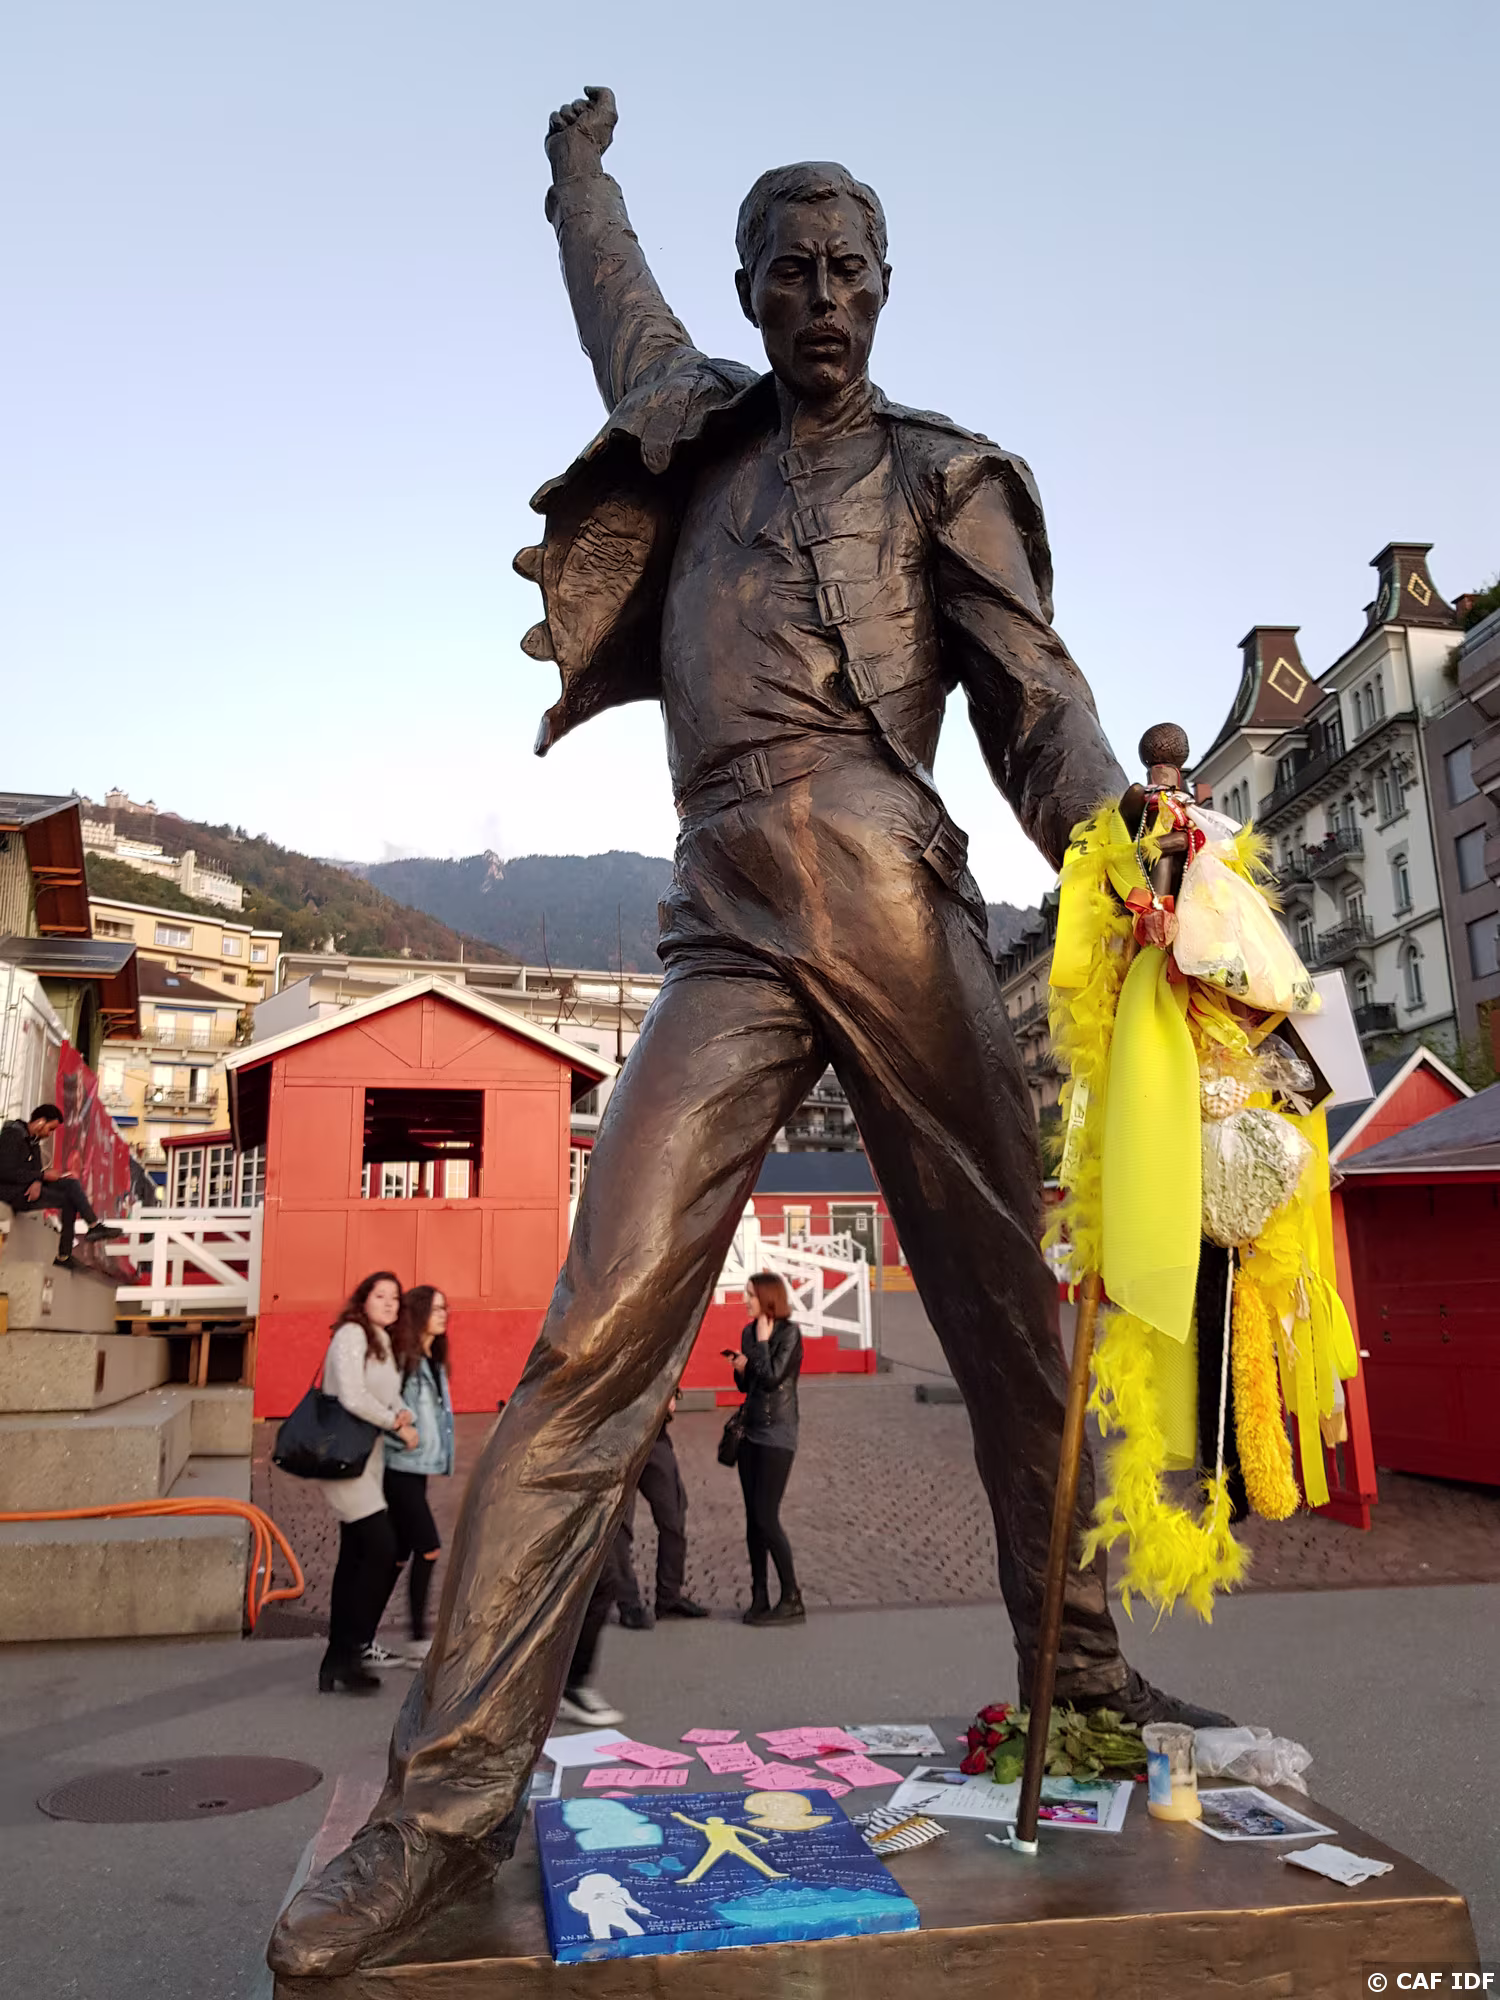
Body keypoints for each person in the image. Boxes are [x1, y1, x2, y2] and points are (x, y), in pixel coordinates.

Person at [269, 85, 1229, 1976]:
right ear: (749, 291)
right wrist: (577, 179)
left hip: (899, 902)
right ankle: (442, 1812)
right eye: (788, 272)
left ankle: (1086, 1687)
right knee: (590, 1342)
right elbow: (612, 299)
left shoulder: (948, 475)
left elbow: (1040, 710)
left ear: (887, 286)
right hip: (722, 923)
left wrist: (1133, 865)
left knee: (1008, 1325)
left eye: (849, 271)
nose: (820, 298)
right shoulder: (693, 429)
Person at [317, 1272, 418, 1694]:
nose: (390, 1303)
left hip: (367, 1462)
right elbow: (352, 1396)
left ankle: (337, 1661)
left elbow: (386, 1394)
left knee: (355, 1556)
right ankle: (352, 1649)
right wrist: (394, 1422)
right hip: (343, 1459)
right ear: (363, 1300)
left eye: (395, 1297)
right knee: (381, 1547)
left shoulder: (381, 1341)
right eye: (380, 1296)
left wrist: (404, 1412)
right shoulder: (351, 1335)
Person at [378, 1284, 456, 1668]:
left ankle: (362, 1635)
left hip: (418, 1468)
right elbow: (385, 1408)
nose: (443, 1315)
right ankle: (417, 1639)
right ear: (420, 1312)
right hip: (399, 1467)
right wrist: (401, 1434)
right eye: (436, 1309)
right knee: (428, 1547)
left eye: (445, 1308)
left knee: (398, 1554)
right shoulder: (403, 1361)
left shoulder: (432, 1359)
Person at [733, 1274, 804, 1626]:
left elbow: (774, 1376)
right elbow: (750, 1384)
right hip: (751, 1433)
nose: (745, 1299)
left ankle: (791, 1597)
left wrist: (761, 1345)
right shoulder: (748, 1332)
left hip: (778, 1433)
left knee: (766, 1515)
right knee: (753, 1519)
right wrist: (740, 1369)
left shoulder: (789, 1333)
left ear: (767, 1297)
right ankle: (759, 1595)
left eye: (750, 1294)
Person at [615, 1395, 709, 1629]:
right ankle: (628, 1603)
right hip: (618, 1442)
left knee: (673, 1515)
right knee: (619, 1529)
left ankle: (669, 1596)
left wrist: (672, 1393)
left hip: (654, 1437)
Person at [0, 1103, 111, 1267]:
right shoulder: (12, 1137)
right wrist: (42, 1176)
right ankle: (64, 1255)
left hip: (26, 1186)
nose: (49, 1134)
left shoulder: (33, 1142)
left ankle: (93, 1226)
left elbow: (36, 1170)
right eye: (50, 1129)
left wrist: (38, 1181)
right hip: (10, 1191)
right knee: (68, 1200)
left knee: (71, 1185)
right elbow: (5, 1172)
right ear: (40, 1122)